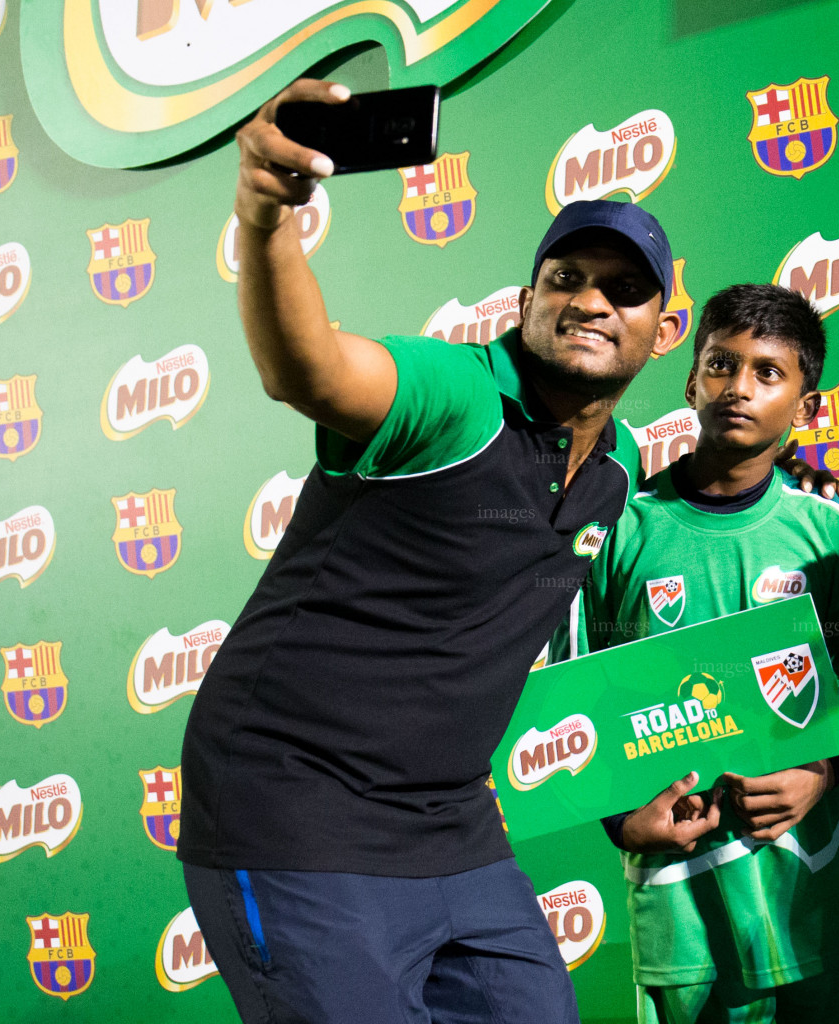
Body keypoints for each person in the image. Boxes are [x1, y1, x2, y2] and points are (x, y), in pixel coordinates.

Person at [177, 78, 684, 1024]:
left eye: (624, 289)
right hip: (295, 808)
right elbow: (310, 367)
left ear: (665, 328)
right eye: (565, 278)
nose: (590, 301)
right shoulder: (452, 393)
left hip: (450, 823)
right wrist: (266, 221)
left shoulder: (615, 466)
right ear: (528, 299)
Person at [578, 284, 839, 1024]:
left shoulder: (827, 525)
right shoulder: (620, 529)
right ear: (692, 379)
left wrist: (818, 771)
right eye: (722, 364)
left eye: (768, 371)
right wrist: (622, 824)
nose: (738, 387)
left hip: (813, 888)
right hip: (681, 900)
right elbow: (581, 705)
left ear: (806, 407)